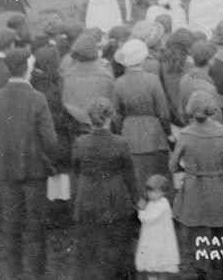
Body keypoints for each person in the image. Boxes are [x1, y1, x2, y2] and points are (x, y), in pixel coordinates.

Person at [0, 48, 59, 280]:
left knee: (11, 227)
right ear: (27, 68)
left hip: (5, 170)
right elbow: (51, 140)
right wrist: (48, 160)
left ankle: (13, 274)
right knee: (36, 227)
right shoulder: (37, 98)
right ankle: (37, 275)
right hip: (34, 171)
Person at [170, 90, 223, 280]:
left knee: (198, 232)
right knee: (221, 231)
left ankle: (202, 269)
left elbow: (172, 165)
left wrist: (188, 167)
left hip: (194, 188)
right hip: (219, 186)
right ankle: (220, 269)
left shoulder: (185, 134)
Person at [71, 97, 138, 280]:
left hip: (88, 197)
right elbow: (129, 176)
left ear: (90, 119)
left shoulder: (80, 143)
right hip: (114, 197)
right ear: (111, 118)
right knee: (116, 241)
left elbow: (75, 170)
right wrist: (136, 200)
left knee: (89, 244)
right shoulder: (120, 143)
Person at [112, 39, 172, 194]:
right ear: (143, 59)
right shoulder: (153, 80)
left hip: (129, 132)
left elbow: (116, 115)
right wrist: (167, 132)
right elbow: (163, 112)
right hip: (154, 132)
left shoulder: (119, 83)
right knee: (156, 174)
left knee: (135, 175)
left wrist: (120, 132)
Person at [135, 174, 180, 280]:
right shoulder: (151, 203)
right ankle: (152, 277)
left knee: (159, 261)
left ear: (163, 192)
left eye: (155, 192)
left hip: (160, 238)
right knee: (150, 262)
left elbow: (150, 218)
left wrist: (140, 211)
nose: (152, 195)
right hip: (150, 237)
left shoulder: (163, 204)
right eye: (150, 192)